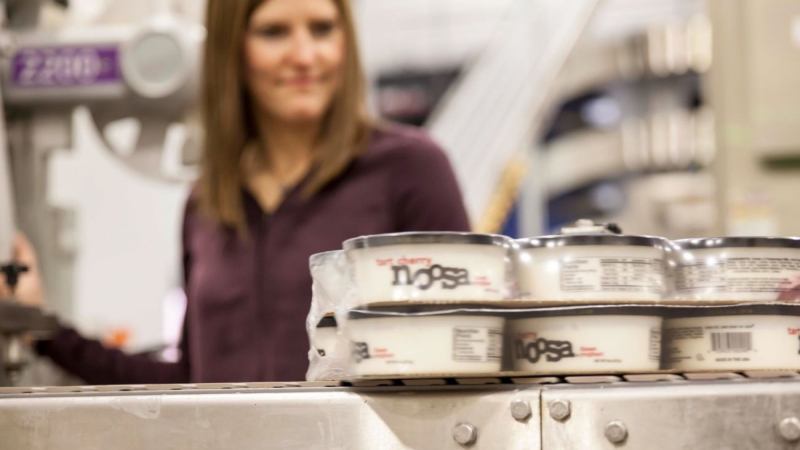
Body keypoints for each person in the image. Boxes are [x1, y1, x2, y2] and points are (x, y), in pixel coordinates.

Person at [0, 0, 469, 383]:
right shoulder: (207, 202)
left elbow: (463, 353)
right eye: (274, 32)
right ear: (231, 49)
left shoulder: (410, 169)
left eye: (323, 29)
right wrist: (43, 328)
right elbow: (191, 381)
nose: (305, 56)